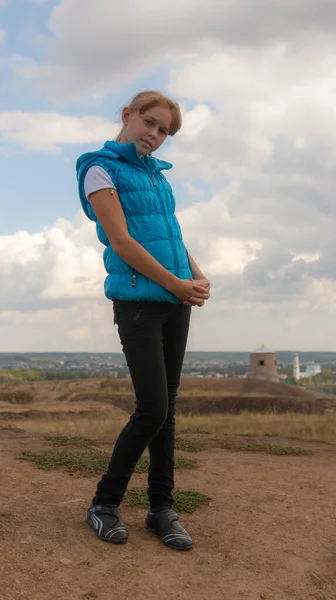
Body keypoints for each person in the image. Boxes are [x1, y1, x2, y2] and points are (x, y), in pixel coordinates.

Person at [76, 91, 210, 551]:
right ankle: (104, 504)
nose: (155, 135)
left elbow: (169, 232)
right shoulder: (99, 167)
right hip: (138, 303)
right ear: (127, 115)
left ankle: (161, 508)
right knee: (152, 407)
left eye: (164, 131)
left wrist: (194, 274)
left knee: (167, 410)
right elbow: (121, 240)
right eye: (149, 123)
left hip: (175, 300)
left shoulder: (157, 178)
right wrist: (176, 283)